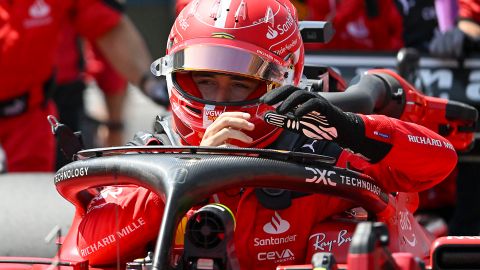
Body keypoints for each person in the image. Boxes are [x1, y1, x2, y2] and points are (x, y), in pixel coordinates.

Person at [77, 0, 457, 268]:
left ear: (285, 78)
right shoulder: (155, 157)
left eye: (241, 84)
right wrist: (187, 173)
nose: (220, 101)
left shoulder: (322, 149)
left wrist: (352, 127)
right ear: (174, 76)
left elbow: (438, 163)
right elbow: (88, 247)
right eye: (204, 81)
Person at [0, 0, 168, 172]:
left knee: (34, 193)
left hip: (30, 122)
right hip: (42, 105)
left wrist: (150, 83)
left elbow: (108, 27)